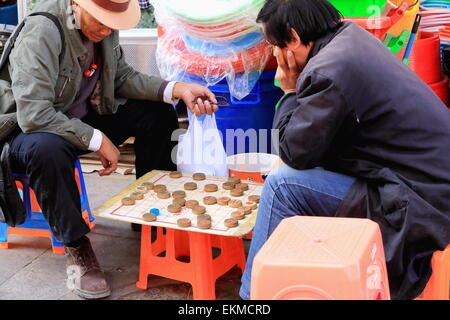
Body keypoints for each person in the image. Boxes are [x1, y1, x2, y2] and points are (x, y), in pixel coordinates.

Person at [0, 0, 218, 299]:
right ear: (76, 3)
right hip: (23, 132)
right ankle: (77, 247)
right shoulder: (43, 30)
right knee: (47, 149)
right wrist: (96, 139)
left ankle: (151, 219)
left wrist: (177, 88)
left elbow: (122, 78)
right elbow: (34, 114)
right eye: (100, 20)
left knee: (157, 112)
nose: (106, 28)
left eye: (112, 22)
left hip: (74, 117)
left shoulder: (106, 27)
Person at [240, 0, 450, 300]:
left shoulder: (329, 70)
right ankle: (299, 282)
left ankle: (253, 297)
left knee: (281, 185)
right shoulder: (349, 37)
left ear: (294, 37)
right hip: (429, 183)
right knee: (291, 172)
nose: (275, 55)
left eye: (275, 45)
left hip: (419, 201)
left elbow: (294, 152)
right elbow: (312, 143)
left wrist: (288, 92)